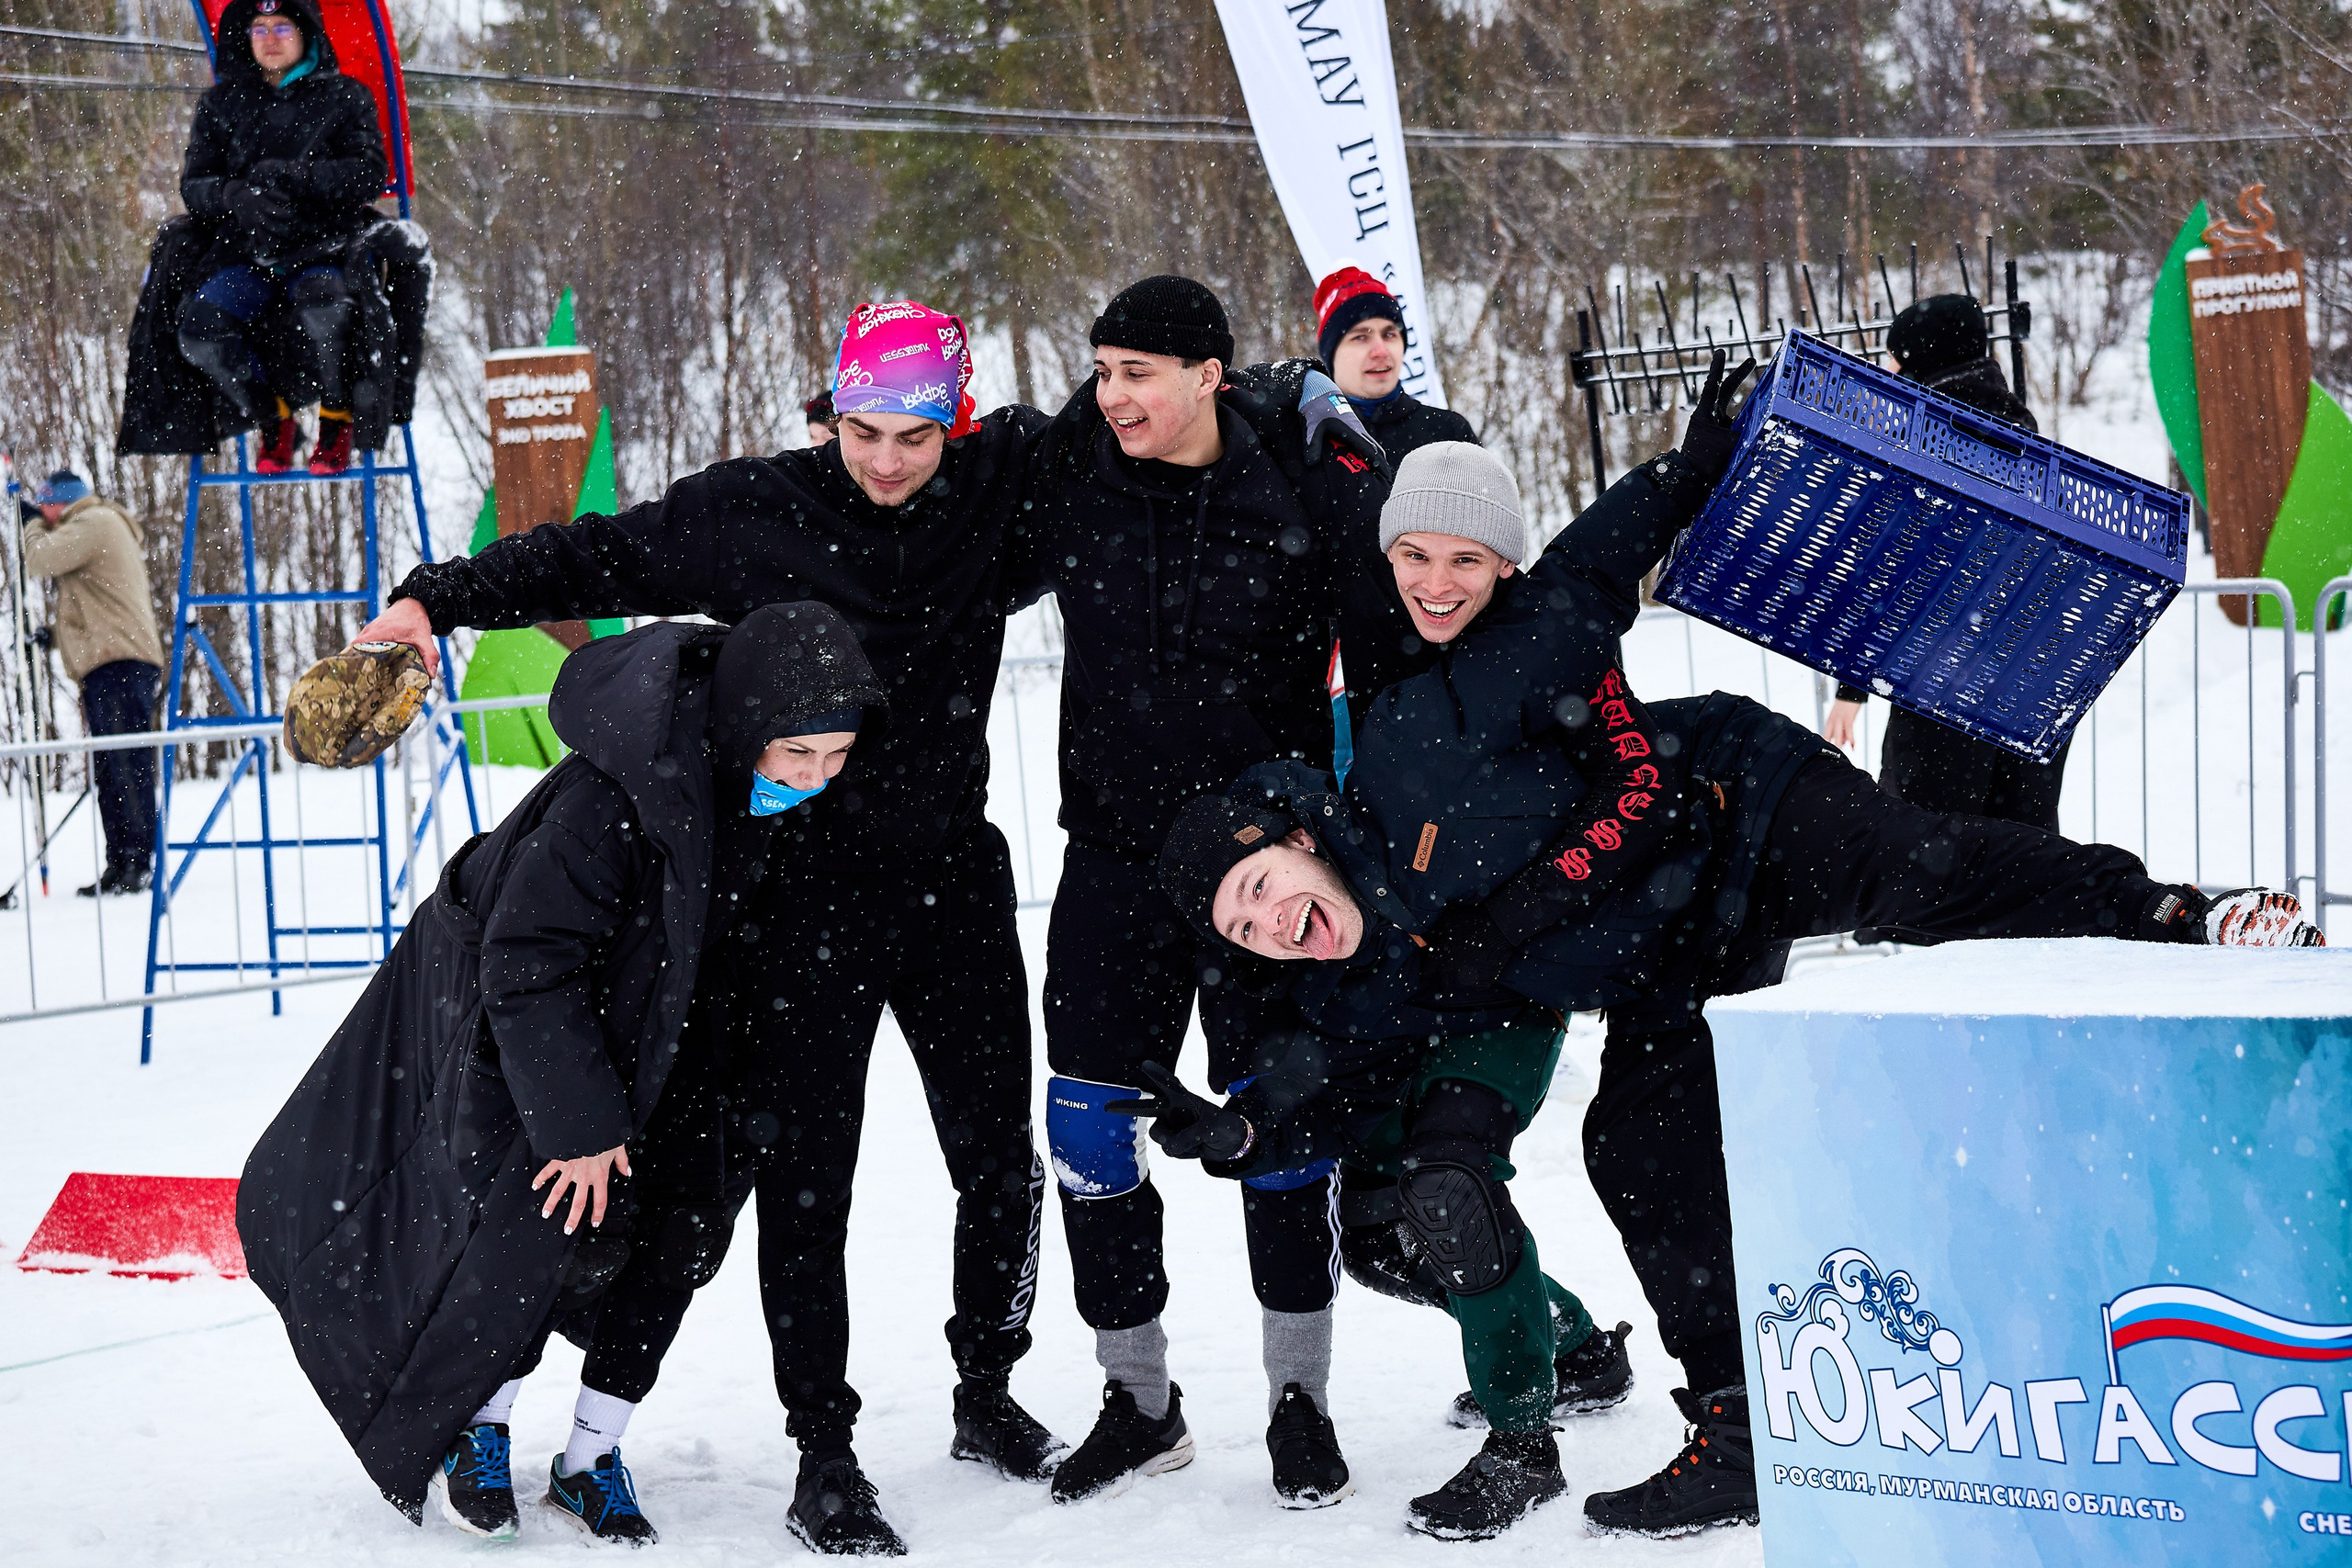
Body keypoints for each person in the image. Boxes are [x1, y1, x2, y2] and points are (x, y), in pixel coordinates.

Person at [1153, 368, 2322, 1539]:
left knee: (1922, 877)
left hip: (1740, 809)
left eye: (1463, 558)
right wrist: (1250, 1130)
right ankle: (1741, 1429)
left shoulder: (1483, 672)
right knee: (1635, 1145)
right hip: (1666, 961)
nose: (1437, 582)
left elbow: (1606, 551)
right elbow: (1347, 1074)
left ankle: (2173, 911)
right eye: (1415, 559)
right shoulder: (1376, 948)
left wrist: (1698, 458)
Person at [354, 300, 1062, 1555]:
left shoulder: (1001, 485)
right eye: (860, 429)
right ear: (827, 411)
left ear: (955, 421)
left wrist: (1314, 401)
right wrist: (436, 598)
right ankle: (824, 1447)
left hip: (954, 880)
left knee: (999, 1159)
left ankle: (986, 1385)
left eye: (913, 434)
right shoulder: (758, 510)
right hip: (803, 901)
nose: (886, 460)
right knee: (807, 1177)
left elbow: (1153, 436)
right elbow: (596, 555)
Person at [239, 604, 885, 1545]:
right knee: (534, 1243)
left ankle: (591, 1456)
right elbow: (529, 959)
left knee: (677, 1244)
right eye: (798, 755)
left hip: (692, 1045)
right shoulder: (610, 800)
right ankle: (481, 1428)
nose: (815, 780)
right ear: (746, 726)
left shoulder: (782, 799)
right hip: (545, 1049)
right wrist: (581, 1126)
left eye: (834, 758)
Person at [1008, 276, 1397, 1507]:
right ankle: (1138, 1397)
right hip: (1114, 855)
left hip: (1262, 868)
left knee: (1279, 1127)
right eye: (1102, 369)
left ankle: (1300, 1398)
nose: (1113, 393)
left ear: (1210, 374)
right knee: (1086, 1122)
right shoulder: (1075, 473)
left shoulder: (1296, 484)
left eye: (1139, 372)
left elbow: (1402, 627)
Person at [1821, 294, 2068, 829]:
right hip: (2033, 688)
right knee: (2026, 857)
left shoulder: (1925, 443)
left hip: (1942, 681)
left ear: (1923, 359)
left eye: (1898, 357)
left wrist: (1850, 688)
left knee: (1924, 860)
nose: (1889, 368)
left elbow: (1891, 571)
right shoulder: (2023, 431)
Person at [173, 0, 387, 475]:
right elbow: (194, 185)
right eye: (259, 28)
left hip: (324, 247)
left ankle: (336, 418)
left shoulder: (346, 97)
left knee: (325, 305)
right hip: (247, 253)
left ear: (306, 33)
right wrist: (234, 195)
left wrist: (297, 178)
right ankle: (274, 420)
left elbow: (370, 172)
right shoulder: (221, 103)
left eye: (282, 26)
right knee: (198, 331)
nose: (270, 38)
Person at [18, 470, 165, 896]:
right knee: (113, 770)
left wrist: (26, 524)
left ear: (60, 503)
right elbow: (98, 604)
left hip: (118, 664)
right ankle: (121, 863)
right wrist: (56, 636)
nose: (44, 515)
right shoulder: (93, 525)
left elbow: (39, 560)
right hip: (112, 663)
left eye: (45, 506)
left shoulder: (94, 522)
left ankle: (136, 863)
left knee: (124, 767)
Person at [1312, 265, 1477, 460]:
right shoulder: (1308, 440)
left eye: (1389, 334)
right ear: (1332, 354)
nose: (1380, 351)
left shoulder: (1449, 433)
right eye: (1360, 337)